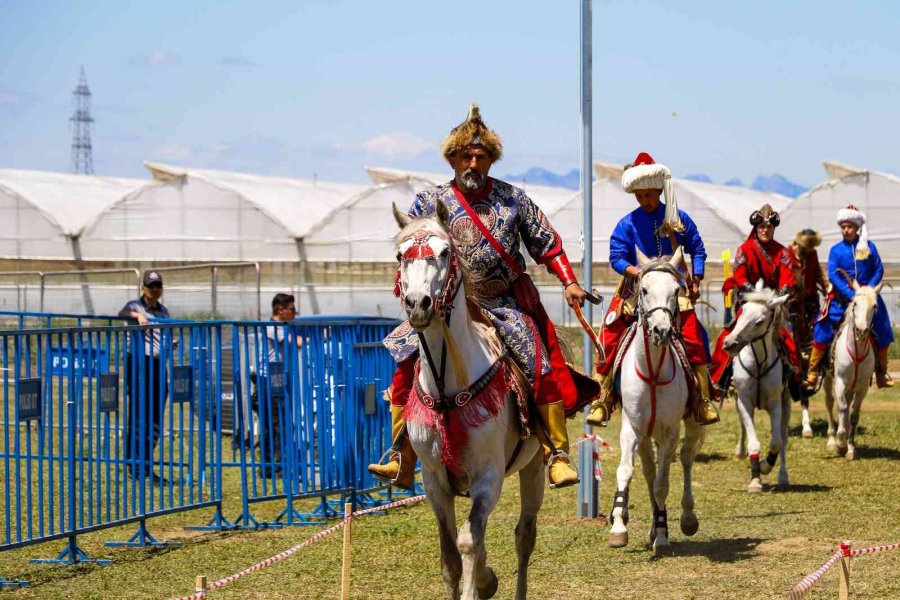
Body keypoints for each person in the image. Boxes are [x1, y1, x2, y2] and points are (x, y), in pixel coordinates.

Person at [369, 104, 590, 490]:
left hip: (503, 304)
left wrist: (569, 281)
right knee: (405, 362)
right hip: (442, 306)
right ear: (452, 159)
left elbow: (547, 244)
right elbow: (411, 248)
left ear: (491, 160)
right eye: (465, 156)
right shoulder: (428, 201)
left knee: (537, 362)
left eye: (481, 156)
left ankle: (556, 453)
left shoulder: (513, 199)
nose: (473, 162)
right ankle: (401, 455)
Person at [586, 152, 719, 427]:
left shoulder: (678, 218)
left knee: (695, 335)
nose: (645, 200)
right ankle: (603, 398)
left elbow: (697, 249)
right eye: (639, 196)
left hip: (673, 288)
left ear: (659, 190)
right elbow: (617, 257)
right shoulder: (627, 224)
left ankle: (702, 399)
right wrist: (638, 272)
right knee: (610, 333)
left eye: (649, 195)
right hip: (637, 288)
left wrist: (697, 276)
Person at [709, 204, 802, 395]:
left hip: (773, 305)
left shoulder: (783, 253)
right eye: (761, 227)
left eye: (768, 227)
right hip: (749, 302)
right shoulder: (744, 250)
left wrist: (779, 294)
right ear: (756, 228)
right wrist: (755, 295)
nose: (765, 230)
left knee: (790, 339)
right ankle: (721, 380)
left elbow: (787, 277)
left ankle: (795, 380)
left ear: (773, 229)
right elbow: (740, 276)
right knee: (725, 338)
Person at [803, 205, 894, 391]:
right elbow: (834, 275)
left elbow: (878, 269)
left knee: (883, 329)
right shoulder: (836, 250)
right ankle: (812, 372)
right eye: (843, 226)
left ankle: (881, 373)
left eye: (849, 226)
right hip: (841, 300)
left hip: (868, 299)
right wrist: (853, 295)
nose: (846, 230)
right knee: (823, 326)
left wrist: (867, 291)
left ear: (857, 227)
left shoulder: (869, 246)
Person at [119, 269, 171, 484]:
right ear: (143, 288)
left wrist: (170, 345)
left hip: (158, 364)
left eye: (158, 286)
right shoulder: (134, 306)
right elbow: (121, 314)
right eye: (151, 286)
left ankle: (146, 463)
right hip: (139, 364)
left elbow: (164, 334)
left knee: (155, 418)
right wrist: (138, 316)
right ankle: (135, 465)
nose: (155, 290)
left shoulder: (164, 311)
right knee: (139, 416)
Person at [251, 293, 297, 479]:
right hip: (267, 381)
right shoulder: (273, 328)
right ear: (281, 310)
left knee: (276, 425)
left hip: (276, 380)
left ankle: (272, 466)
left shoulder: (281, 327)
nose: (295, 313)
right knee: (275, 425)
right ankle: (273, 467)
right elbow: (296, 342)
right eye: (292, 309)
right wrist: (320, 337)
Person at [788, 229, 827, 358]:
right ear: (800, 244)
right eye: (808, 246)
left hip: (811, 300)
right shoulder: (787, 255)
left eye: (812, 247)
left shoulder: (812, 254)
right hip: (792, 302)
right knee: (791, 332)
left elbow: (818, 272)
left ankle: (815, 363)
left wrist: (827, 288)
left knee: (818, 327)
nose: (810, 249)